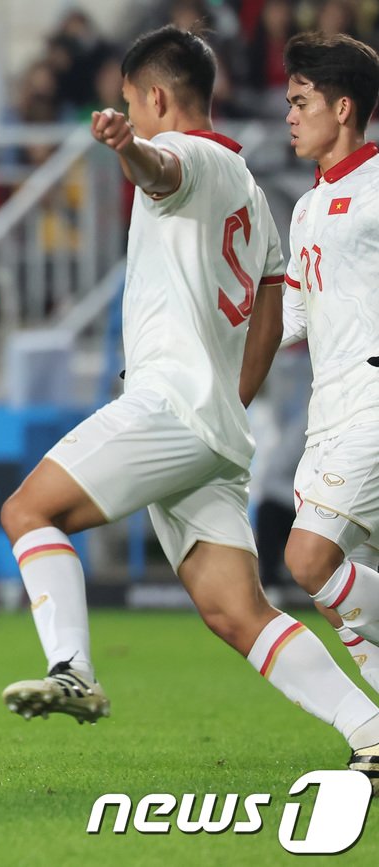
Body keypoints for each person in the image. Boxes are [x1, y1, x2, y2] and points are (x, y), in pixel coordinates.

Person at [0, 26, 379, 788]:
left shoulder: (194, 156)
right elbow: (274, 311)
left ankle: (71, 668)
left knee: (27, 512)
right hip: (211, 424)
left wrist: (124, 149)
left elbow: (162, 168)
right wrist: (229, 404)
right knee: (237, 611)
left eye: (132, 104)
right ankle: (369, 728)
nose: (129, 116)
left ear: (158, 100)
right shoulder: (268, 201)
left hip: (169, 405)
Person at [255, 33, 379, 696]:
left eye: (302, 101)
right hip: (328, 410)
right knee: (344, 593)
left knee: (308, 560)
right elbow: (293, 317)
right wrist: (217, 353)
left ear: (344, 108)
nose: (290, 116)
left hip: (373, 402)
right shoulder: (305, 208)